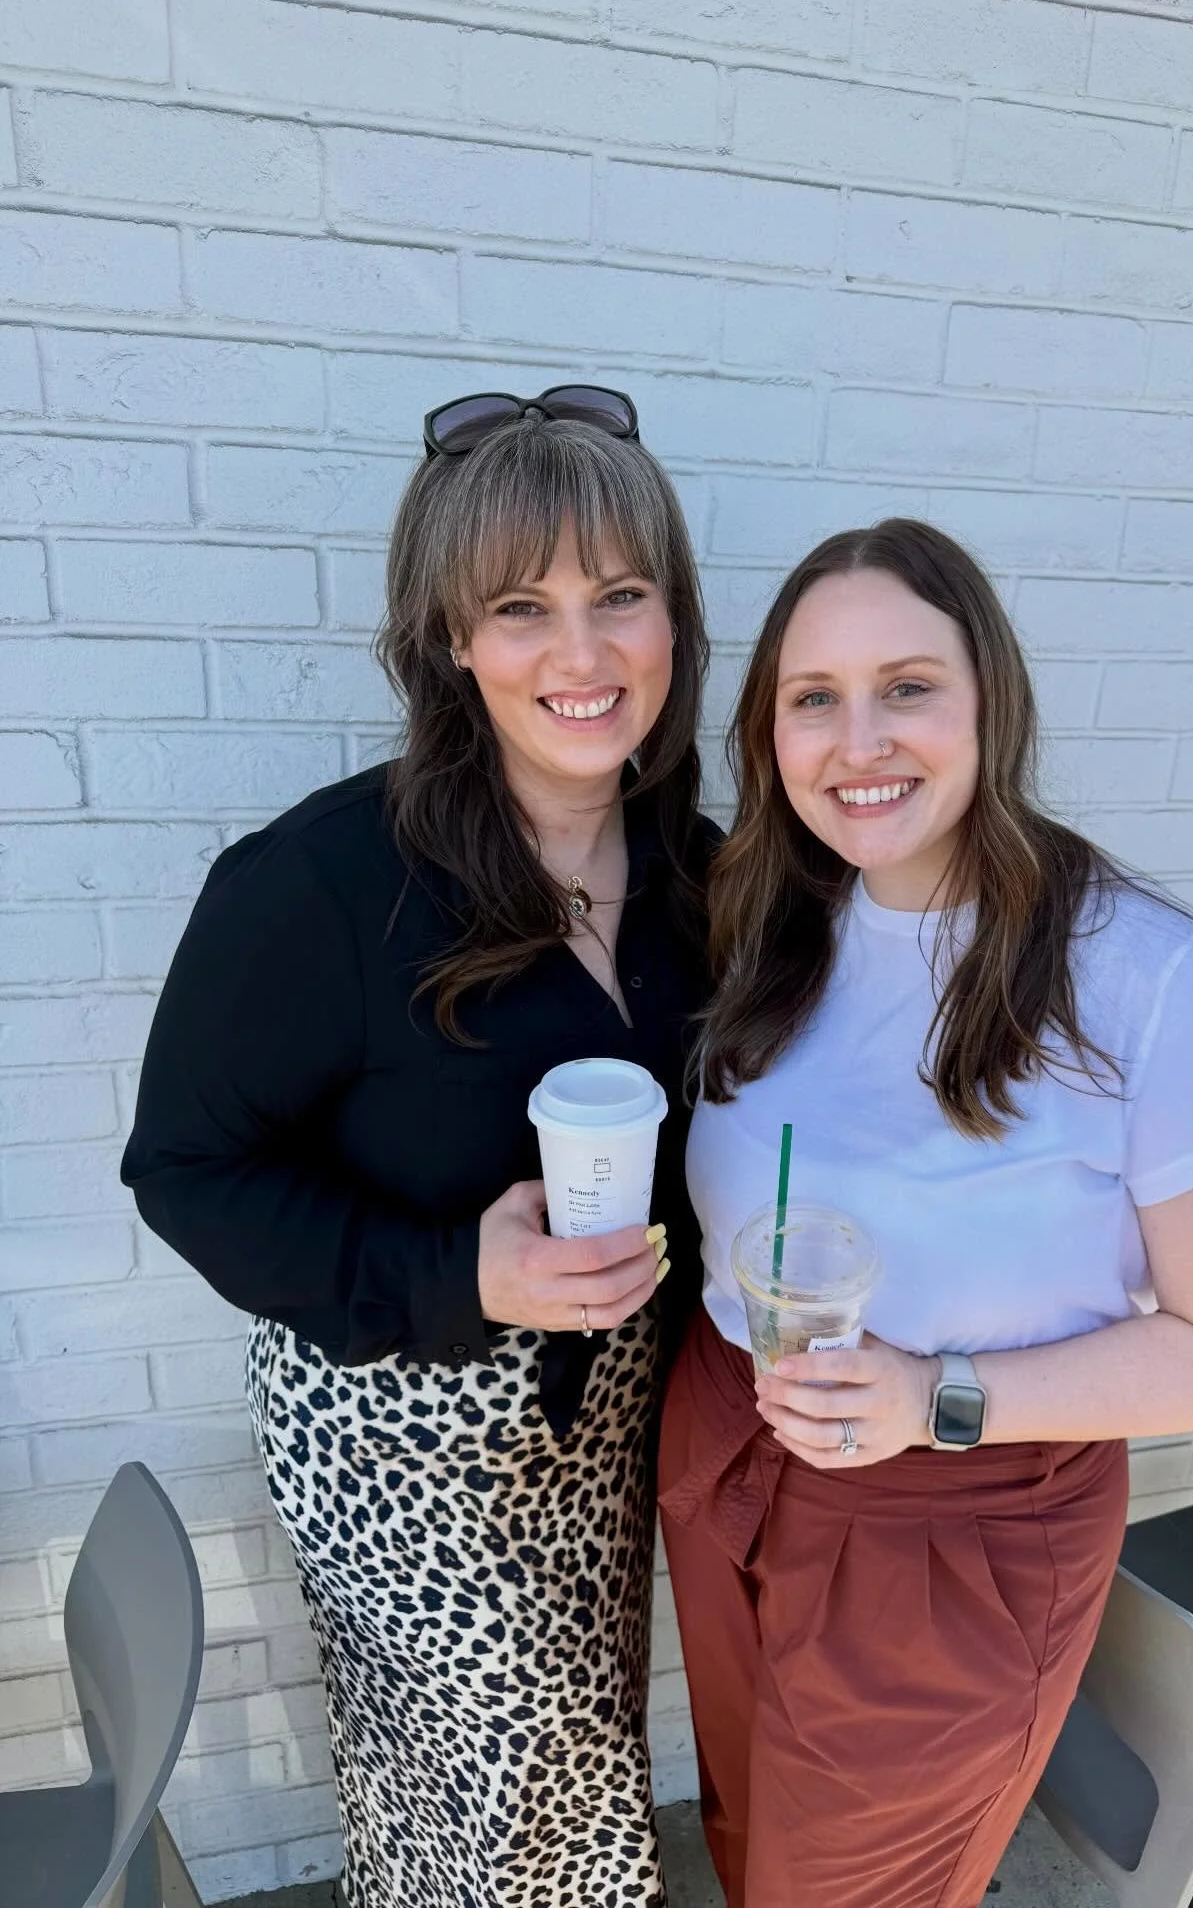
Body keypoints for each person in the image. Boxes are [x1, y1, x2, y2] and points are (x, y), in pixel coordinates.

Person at [661, 517, 1193, 1908]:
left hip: (950, 1514)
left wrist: (935, 1397)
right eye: (814, 697)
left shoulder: (1148, 982)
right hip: (733, 1442)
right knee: (751, 1839)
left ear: (989, 703)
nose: (859, 741)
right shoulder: (771, 919)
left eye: (907, 687)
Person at [122, 387, 718, 1908]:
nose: (582, 655)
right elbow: (185, 1172)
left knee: (549, 1791)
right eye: (520, 608)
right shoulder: (320, 885)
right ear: (451, 639)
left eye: (621, 595)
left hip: (606, 1427)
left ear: (674, 617)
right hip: (404, 1444)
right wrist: (461, 1274)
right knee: (520, 1833)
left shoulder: (702, 872)